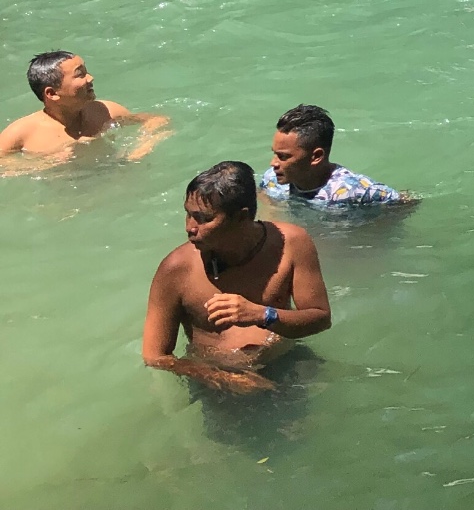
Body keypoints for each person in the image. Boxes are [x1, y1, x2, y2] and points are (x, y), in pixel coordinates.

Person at [143, 161, 331, 394]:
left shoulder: (293, 243)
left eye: (203, 218)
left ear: (241, 218)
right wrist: (218, 377)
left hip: (287, 366)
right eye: (188, 215)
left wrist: (261, 314)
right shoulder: (176, 269)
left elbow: (320, 318)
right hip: (218, 386)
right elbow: (155, 356)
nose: (190, 227)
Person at [0, 50, 170, 164]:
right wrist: (44, 163)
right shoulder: (22, 133)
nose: (90, 78)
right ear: (52, 93)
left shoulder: (105, 111)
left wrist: (143, 145)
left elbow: (157, 120)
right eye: (80, 75)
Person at [261, 103, 415, 210]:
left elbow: (406, 203)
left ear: (316, 156)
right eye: (274, 153)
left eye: (283, 156)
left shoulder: (356, 191)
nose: (273, 163)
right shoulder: (271, 181)